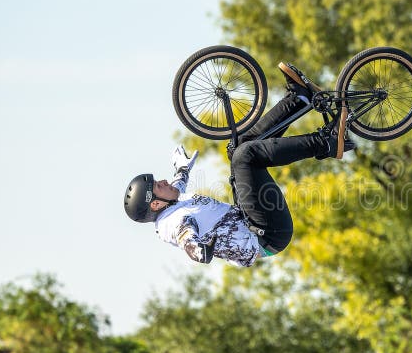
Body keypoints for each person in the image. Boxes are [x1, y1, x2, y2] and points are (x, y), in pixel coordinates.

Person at [123, 65, 355, 267]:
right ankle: (327, 143)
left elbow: (177, 187)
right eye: (158, 185)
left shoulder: (171, 203)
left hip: (248, 218)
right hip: (266, 234)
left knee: (238, 147)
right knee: (245, 157)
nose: (163, 182)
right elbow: (185, 236)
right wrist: (198, 252)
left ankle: (299, 99)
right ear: (155, 203)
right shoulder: (169, 223)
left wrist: (182, 170)